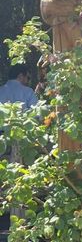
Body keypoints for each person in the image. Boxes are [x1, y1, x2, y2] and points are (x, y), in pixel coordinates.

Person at [0, 63, 37, 230]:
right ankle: (20, 221)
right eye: (28, 77)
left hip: (2, 141)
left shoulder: (1, 91)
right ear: (21, 76)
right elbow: (36, 116)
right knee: (22, 178)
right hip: (21, 142)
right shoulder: (27, 92)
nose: (28, 81)